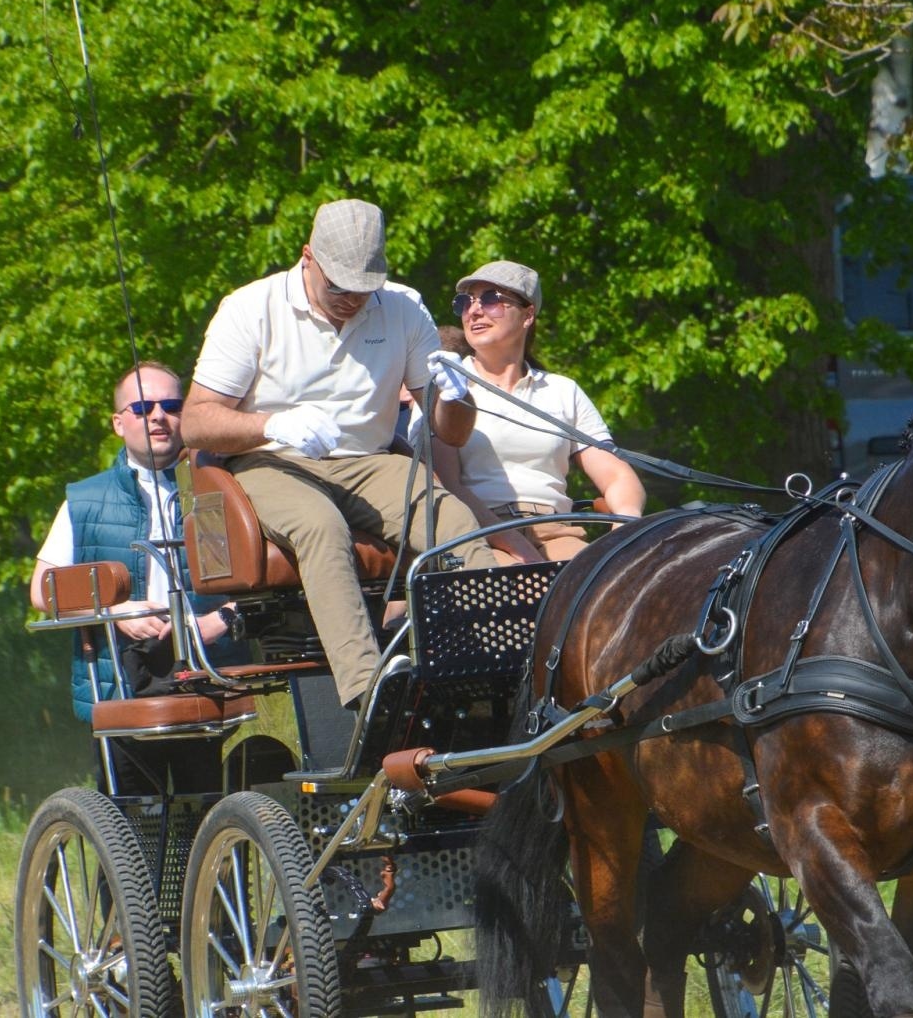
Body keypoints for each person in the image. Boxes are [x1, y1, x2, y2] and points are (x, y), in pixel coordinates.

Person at [183, 198, 498, 710]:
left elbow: (452, 434)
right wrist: (271, 424)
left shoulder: (403, 306)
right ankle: (368, 692)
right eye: (339, 287)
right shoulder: (250, 307)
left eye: (364, 287)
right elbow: (195, 422)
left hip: (369, 460)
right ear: (308, 257)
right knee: (320, 525)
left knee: (452, 517)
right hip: (270, 459)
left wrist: (458, 397)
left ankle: (495, 663)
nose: (353, 298)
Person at [29, 362, 240, 720]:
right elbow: (42, 592)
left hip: (216, 680)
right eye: (143, 408)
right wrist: (112, 612)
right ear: (118, 423)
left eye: (172, 407)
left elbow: (273, 582)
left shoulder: (226, 488)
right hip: (121, 688)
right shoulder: (84, 500)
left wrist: (221, 619)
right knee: (128, 778)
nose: (159, 417)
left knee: (217, 778)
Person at [424, 260, 646, 563]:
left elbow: (617, 476)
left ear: (528, 314)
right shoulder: (446, 386)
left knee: (602, 594)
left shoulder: (562, 391)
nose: (474, 310)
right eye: (465, 302)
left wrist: (626, 527)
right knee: (510, 597)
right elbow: (447, 485)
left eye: (490, 299)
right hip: (477, 535)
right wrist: (518, 545)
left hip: (557, 532)